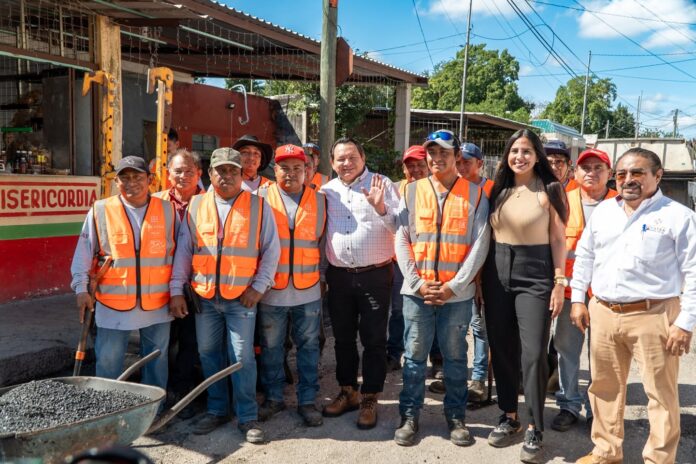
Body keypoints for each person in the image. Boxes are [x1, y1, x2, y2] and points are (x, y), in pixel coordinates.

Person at [571, 148, 696, 464]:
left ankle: (658, 458)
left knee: (661, 395)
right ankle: (606, 451)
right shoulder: (604, 212)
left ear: (658, 175)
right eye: (622, 174)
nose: (628, 180)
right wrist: (577, 299)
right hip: (603, 312)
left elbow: (694, 270)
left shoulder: (678, 217)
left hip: (654, 315)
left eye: (638, 173)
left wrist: (686, 322)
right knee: (603, 388)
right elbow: (585, 255)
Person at [169, 148, 280, 443]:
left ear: (242, 174)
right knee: (207, 354)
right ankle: (218, 409)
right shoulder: (196, 205)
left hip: (241, 299)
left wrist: (259, 287)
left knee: (242, 357)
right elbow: (184, 251)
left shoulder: (258, 206)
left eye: (233, 170)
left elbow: (271, 249)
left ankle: (247, 416)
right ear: (210, 174)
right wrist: (176, 289)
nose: (227, 175)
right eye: (221, 170)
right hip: (204, 299)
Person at [393, 130, 490, 447]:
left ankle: (456, 418)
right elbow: (402, 240)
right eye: (431, 152)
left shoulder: (475, 195)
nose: (437, 158)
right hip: (417, 294)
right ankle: (409, 416)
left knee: (455, 359)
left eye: (444, 152)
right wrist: (418, 283)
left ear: (457, 156)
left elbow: (479, 245)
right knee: (415, 357)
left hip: (455, 296)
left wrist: (454, 286)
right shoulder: (410, 191)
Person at [482, 129, 568, 463]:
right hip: (496, 271)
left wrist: (559, 281)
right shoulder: (498, 188)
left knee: (532, 354)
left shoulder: (550, 189)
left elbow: (559, 240)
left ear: (537, 156)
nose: (520, 156)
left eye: (527, 151)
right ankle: (509, 416)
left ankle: (534, 425)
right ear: (507, 154)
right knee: (501, 347)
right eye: (515, 150)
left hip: (536, 274)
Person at [71, 156, 178, 400]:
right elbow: (83, 252)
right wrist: (80, 288)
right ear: (116, 181)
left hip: (158, 302)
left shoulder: (168, 210)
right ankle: (107, 412)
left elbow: (180, 254)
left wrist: (177, 291)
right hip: (113, 303)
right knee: (109, 364)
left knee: (156, 364)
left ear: (150, 180)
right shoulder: (101, 210)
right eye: (124, 177)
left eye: (138, 177)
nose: (131, 183)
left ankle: (152, 411)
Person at [320, 136, 399, 430]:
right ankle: (348, 391)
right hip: (339, 275)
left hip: (375, 275)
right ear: (332, 163)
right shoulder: (327, 191)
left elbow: (399, 226)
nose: (346, 163)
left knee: (374, 339)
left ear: (363, 157)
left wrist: (380, 208)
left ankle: (370, 397)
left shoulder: (382, 184)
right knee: (342, 338)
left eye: (352, 157)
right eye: (340, 159)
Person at [256, 145, 326, 427]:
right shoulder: (259, 199)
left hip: (308, 289)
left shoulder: (321, 201)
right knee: (272, 347)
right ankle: (274, 398)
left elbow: (323, 243)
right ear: (275, 169)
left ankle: (307, 401)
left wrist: (323, 277)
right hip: (272, 290)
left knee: (309, 347)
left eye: (298, 167)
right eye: (285, 167)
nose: (292, 173)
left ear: (307, 170)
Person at [551, 148, 617, 434]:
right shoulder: (562, 201)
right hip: (569, 293)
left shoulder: (622, 203)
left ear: (609, 174)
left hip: (606, 295)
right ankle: (568, 405)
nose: (591, 172)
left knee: (602, 354)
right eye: (585, 167)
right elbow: (551, 245)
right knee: (567, 351)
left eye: (597, 167)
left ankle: (597, 410)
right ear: (575, 173)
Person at [436, 142, 492, 403]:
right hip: (456, 275)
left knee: (479, 328)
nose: (461, 166)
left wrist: (480, 277)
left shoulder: (490, 190)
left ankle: (479, 379)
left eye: (467, 162)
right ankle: (453, 377)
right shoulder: (451, 190)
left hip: (483, 272)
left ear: (479, 164)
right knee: (454, 330)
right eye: (459, 161)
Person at [153, 149, 203, 420]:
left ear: (199, 174)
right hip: (159, 286)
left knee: (190, 341)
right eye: (177, 171)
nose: (183, 176)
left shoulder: (209, 202)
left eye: (189, 171)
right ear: (167, 174)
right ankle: (156, 395)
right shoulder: (154, 202)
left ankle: (183, 393)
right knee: (161, 341)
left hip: (195, 287)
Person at [388, 145, 430, 372]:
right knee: (398, 311)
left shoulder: (436, 189)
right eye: (410, 165)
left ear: (428, 167)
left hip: (431, 261)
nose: (415, 169)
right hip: (400, 263)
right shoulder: (394, 189)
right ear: (404, 168)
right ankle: (394, 354)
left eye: (420, 165)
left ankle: (438, 359)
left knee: (434, 310)